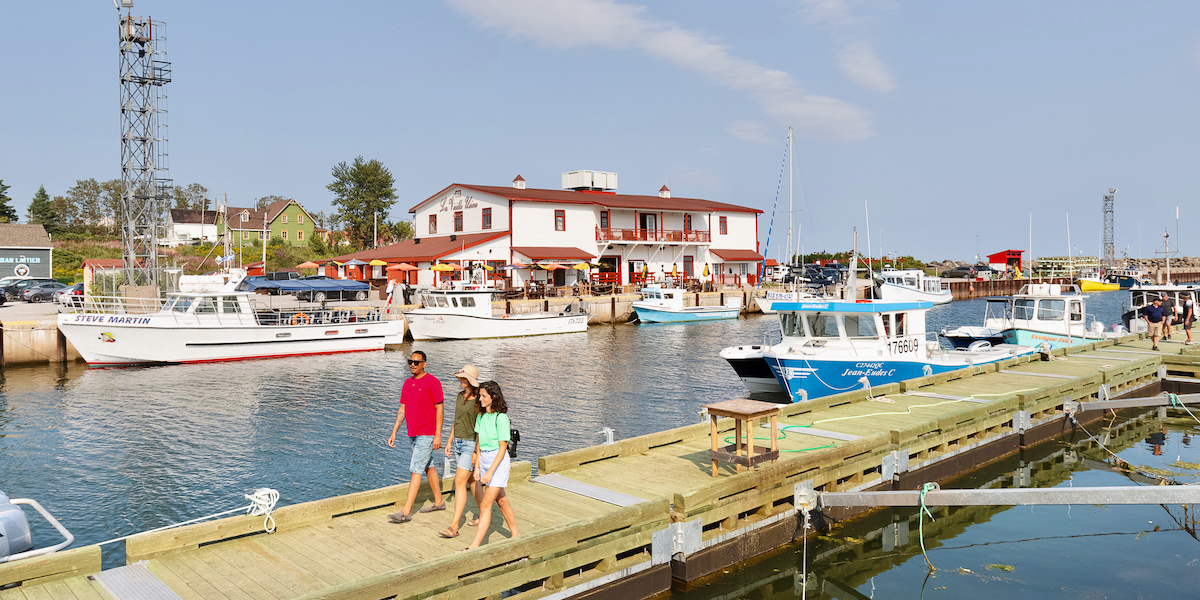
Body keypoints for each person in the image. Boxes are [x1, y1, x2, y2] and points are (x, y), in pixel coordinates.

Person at [387, 350, 446, 523]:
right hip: (413, 432)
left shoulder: (433, 382)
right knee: (428, 466)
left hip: (427, 433)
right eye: (410, 362)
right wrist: (394, 432)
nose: (412, 364)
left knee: (415, 468)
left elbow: (440, 409)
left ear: (424, 364)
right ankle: (439, 501)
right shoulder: (407, 383)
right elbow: (402, 410)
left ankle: (405, 512)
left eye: (416, 362)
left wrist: (438, 436)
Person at [463, 381, 520, 551]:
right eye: (480, 396)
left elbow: (503, 448)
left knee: (485, 505)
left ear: (493, 397)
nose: (480, 399)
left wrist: (491, 472)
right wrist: (479, 468)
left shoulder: (500, 418)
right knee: (501, 500)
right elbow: (479, 442)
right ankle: (515, 533)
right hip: (485, 460)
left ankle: (475, 545)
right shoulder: (481, 417)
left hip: (498, 462)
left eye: (483, 396)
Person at [438, 364, 483, 539]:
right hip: (458, 442)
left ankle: (454, 527)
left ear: (471, 381)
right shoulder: (459, 396)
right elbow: (457, 420)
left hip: (471, 444)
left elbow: (479, 429)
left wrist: (476, 452)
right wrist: (449, 440)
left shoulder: (479, 400)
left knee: (459, 482)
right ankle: (483, 513)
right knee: (472, 481)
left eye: (464, 378)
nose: (461, 380)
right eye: (461, 377)